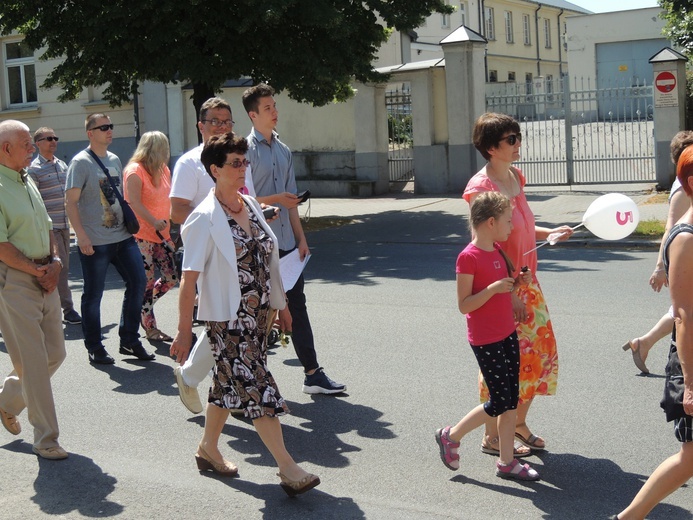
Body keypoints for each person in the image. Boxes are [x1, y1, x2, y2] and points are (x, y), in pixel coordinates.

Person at [170, 132, 320, 496]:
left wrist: (280, 306)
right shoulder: (202, 219)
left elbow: (268, 260)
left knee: (226, 384)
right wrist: (184, 332)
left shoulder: (250, 206)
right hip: (227, 321)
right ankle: (287, 467)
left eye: (244, 162)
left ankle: (207, 448)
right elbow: (188, 283)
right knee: (257, 387)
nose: (243, 169)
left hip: (258, 317)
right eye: (235, 164)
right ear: (215, 169)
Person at [463, 112, 573, 455]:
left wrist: (550, 231)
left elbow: (522, 226)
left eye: (518, 137)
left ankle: (518, 424)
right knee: (504, 366)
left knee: (539, 357)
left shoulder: (515, 176)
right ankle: (492, 437)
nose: (517, 144)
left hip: (527, 281)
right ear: (491, 147)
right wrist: (506, 292)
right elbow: (486, 242)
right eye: (510, 139)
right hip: (502, 287)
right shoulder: (481, 188)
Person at [243, 83, 345, 394]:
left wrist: (301, 239)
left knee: (296, 305)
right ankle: (236, 376)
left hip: (286, 242)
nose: (275, 112)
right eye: (268, 108)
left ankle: (312, 374)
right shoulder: (243, 152)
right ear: (253, 115)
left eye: (275, 106)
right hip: (257, 244)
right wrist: (278, 199)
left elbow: (292, 204)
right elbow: (242, 199)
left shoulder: (284, 150)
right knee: (255, 312)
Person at [611, 145, 693, 520]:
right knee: (690, 457)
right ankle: (629, 517)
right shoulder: (687, 239)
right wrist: (690, 383)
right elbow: (684, 316)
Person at [435, 192, 539, 481]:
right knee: (499, 401)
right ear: (490, 222)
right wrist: (494, 288)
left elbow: (503, 294)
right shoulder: (468, 257)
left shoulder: (498, 251)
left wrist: (518, 283)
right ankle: (451, 435)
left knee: (511, 400)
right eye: (508, 221)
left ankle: (506, 462)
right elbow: (464, 305)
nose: (512, 227)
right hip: (486, 339)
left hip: (507, 333)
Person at [170, 96, 256, 414]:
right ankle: (232, 390)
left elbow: (247, 199)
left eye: (226, 121)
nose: (221, 126)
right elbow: (178, 210)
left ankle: (213, 384)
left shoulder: (238, 157)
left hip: (240, 251)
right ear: (201, 126)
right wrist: (213, 219)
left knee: (231, 320)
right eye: (215, 121)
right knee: (226, 319)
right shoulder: (190, 163)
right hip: (209, 251)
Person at [0, 120, 67, 460]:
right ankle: (46, 439)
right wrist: (38, 270)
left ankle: (6, 400)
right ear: (4, 149)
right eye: (26, 144)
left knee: (56, 352)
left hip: (44, 275)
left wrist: (54, 263)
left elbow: (49, 227)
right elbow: (2, 246)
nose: (33, 149)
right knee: (35, 362)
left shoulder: (27, 179)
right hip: (14, 280)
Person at [65, 113, 152, 365]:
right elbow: (70, 203)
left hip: (122, 237)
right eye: (103, 127)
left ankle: (129, 339)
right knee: (93, 296)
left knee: (138, 283)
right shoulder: (80, 163)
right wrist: (81, 236)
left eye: (111, 126)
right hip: (96, 240)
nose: (109, 130)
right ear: (90, 133)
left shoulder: (113, 159)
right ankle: (95, 346)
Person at [621, 130, 693, 374]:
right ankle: (647, 344)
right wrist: (660, 266)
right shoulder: (682, 188)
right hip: (684, 254)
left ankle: (643, 343)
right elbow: (670, 227)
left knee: (681, 310)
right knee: (683, 311)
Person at [124, 131, 177, 342]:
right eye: (164, 148)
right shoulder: (134, 171)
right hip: (141, 235)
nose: (167, 153)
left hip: (162, 235)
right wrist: (154, 221)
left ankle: (142, 306)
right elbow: (133, 203)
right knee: (145, 283)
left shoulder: (163, 170)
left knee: (171, 277)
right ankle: (150, 326)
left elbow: (168, 200)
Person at [28, 127, 82, 325]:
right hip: (50, 229)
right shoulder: (33, 169)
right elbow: (34, 202)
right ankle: (67, 310)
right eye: (48, 138)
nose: (53, 141)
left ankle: (51, 309)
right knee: (62, 268)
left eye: (55, 138)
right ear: (38, 144)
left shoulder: (62, 165)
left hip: (65, 225)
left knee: (59, 268)